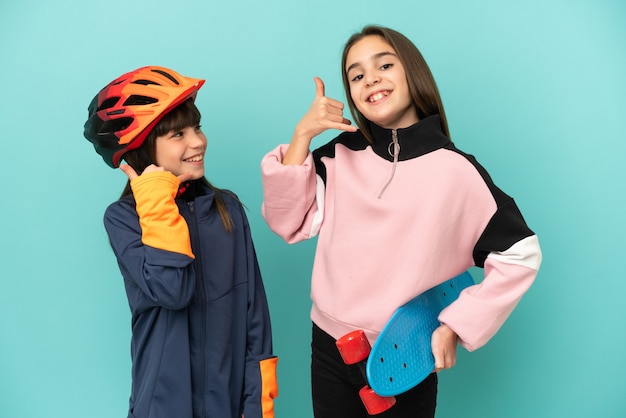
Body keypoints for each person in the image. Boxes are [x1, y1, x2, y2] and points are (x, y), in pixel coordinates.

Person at [260, 25, 541, 417]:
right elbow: (288, 221)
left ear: (413, 72)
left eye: (385, 65)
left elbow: (520, 254)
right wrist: (303, 135)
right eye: (356, 75)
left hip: (405, 354)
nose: (370, 78)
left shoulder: (456, 172)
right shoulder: (340, 154)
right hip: (328, 344)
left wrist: (457, 326)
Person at [83, 66, 278, 418]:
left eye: (197, 128)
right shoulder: (124, 219)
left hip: (228, 403)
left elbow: (255, 317)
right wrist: (156, 200)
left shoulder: (227, 209)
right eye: (177, 134)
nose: (197, 141)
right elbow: (172, 290)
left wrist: (258, 404)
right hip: (161, 405)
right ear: (141, 148)